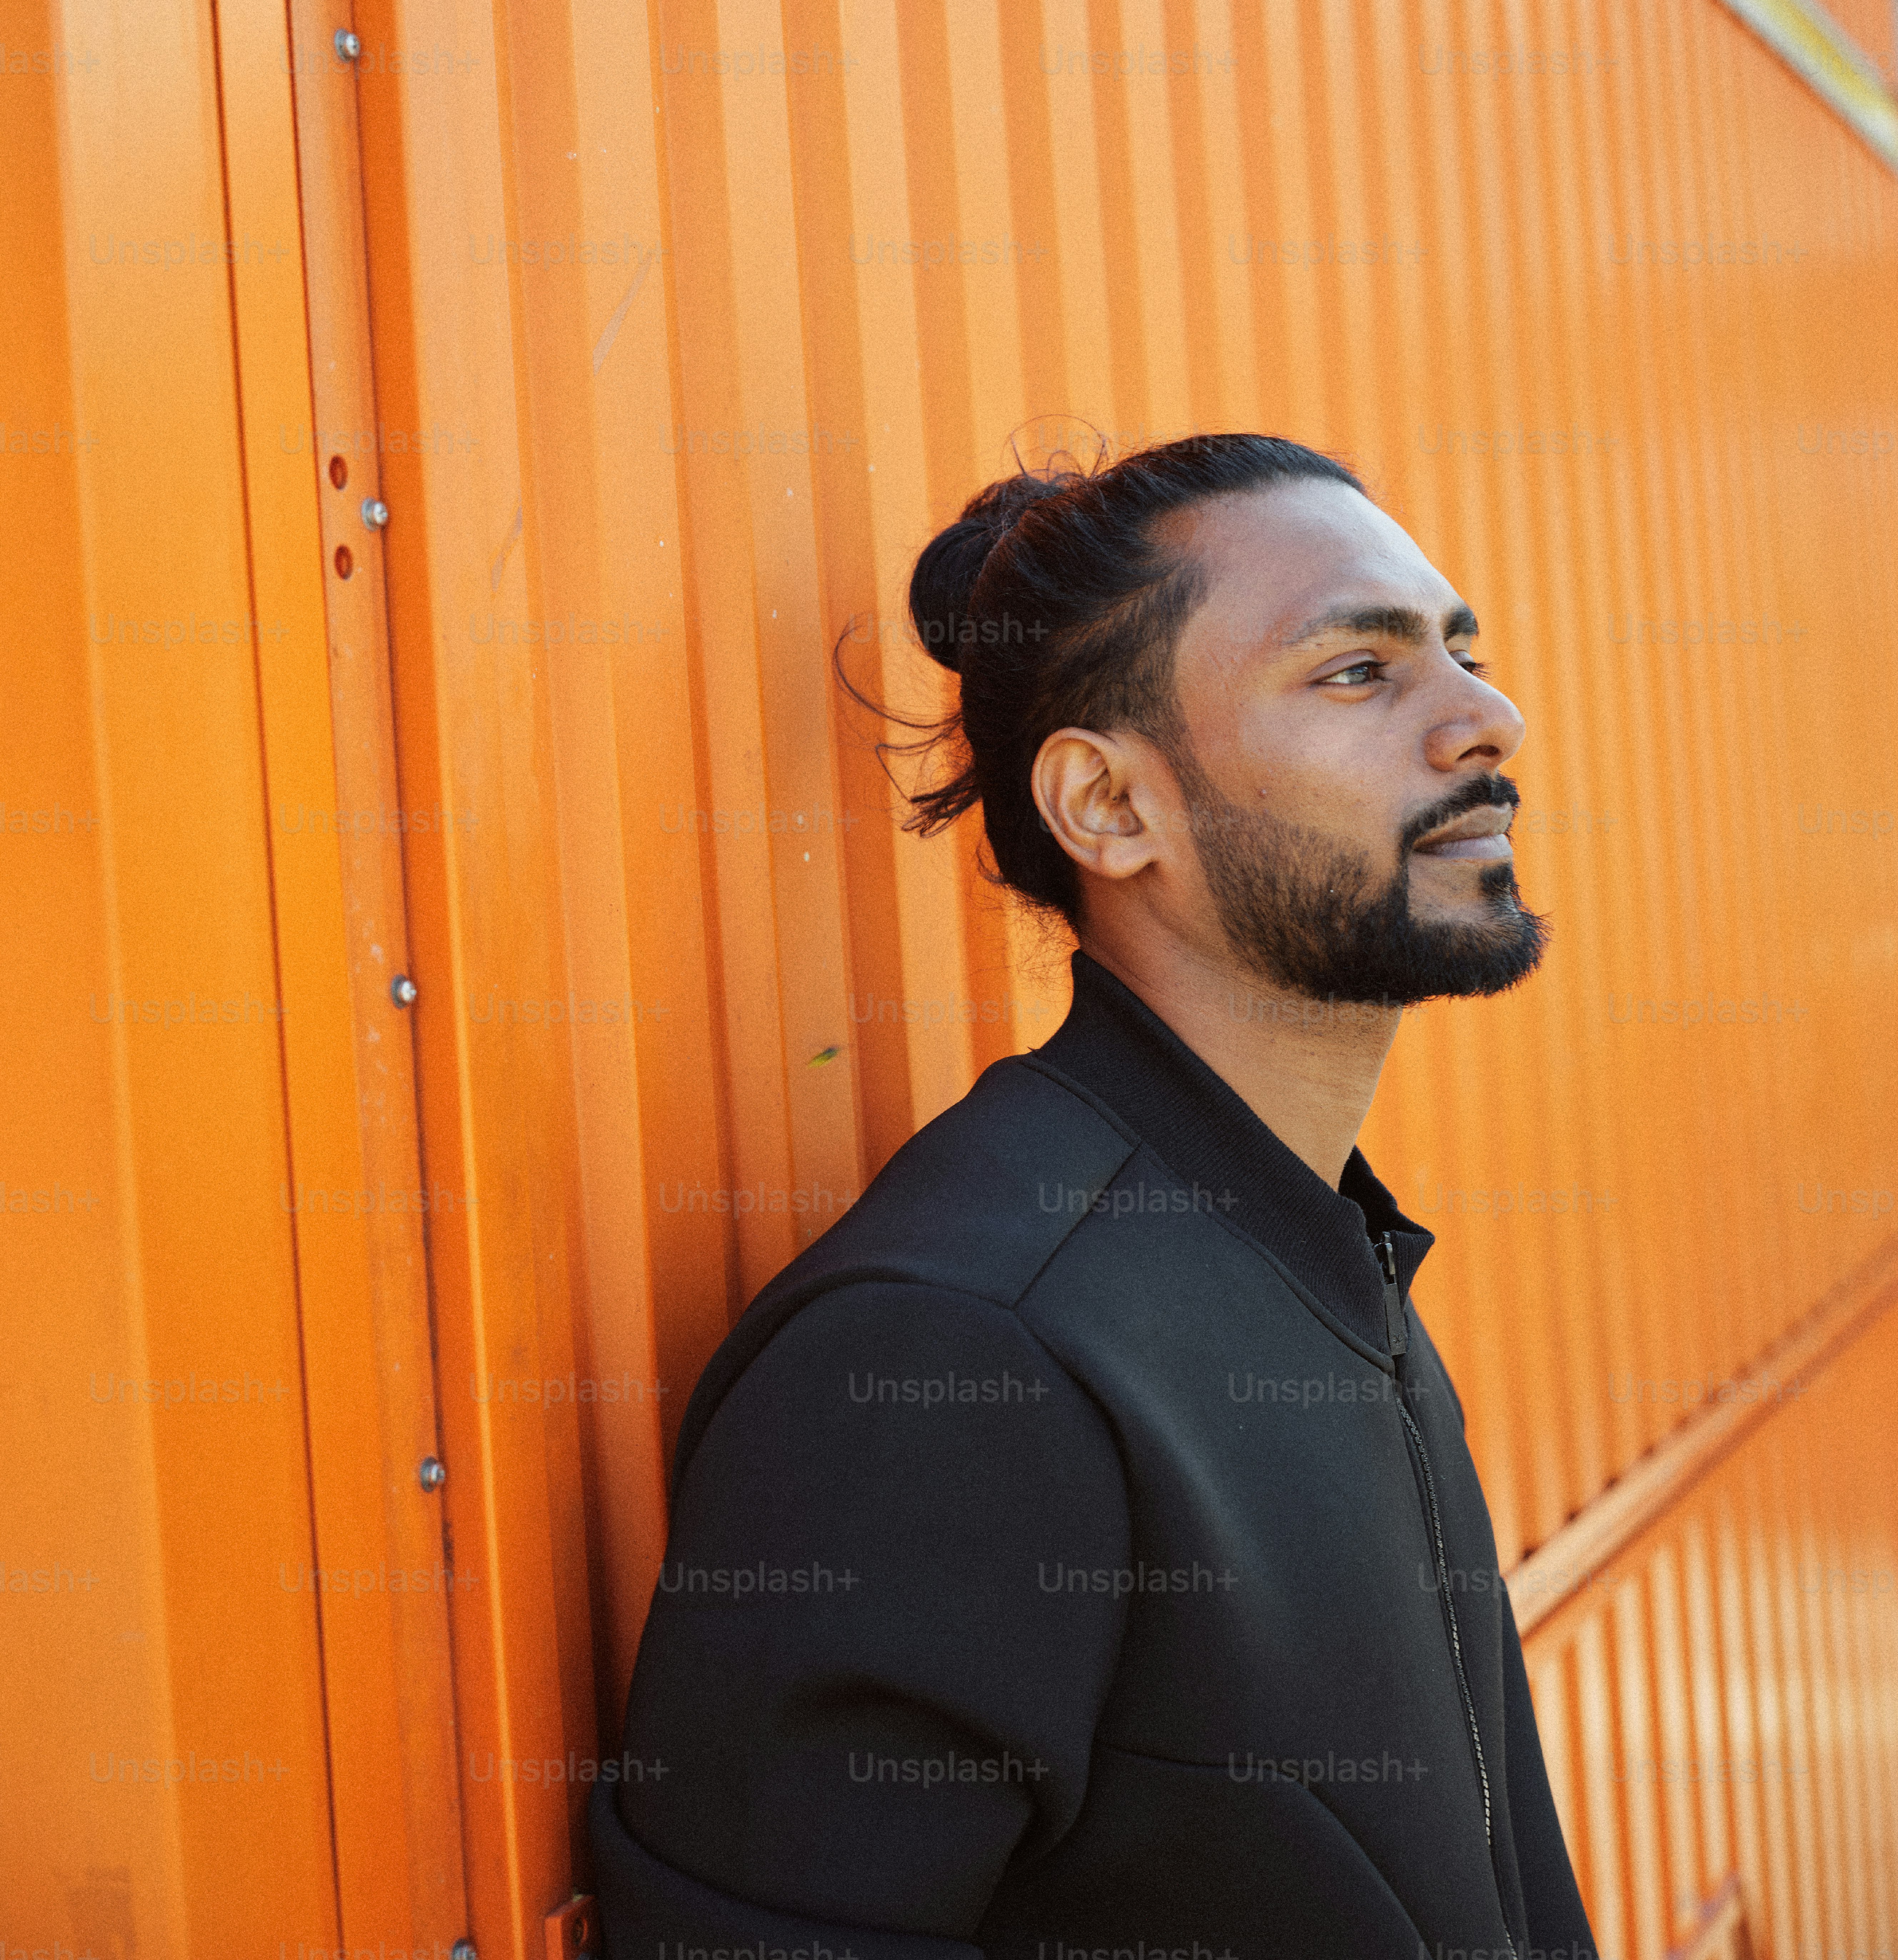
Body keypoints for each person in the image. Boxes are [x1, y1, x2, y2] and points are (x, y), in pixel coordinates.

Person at [590, 430, 1598, 1960]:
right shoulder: (962, 1351)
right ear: (1110, 807)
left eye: (1461, 650)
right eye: (1356, 671)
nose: (1486, 717)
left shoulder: (1312, 1245)